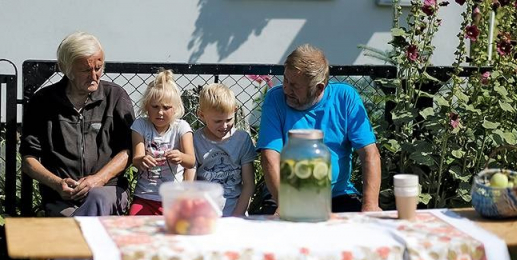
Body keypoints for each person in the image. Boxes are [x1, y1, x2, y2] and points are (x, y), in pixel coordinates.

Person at [21, 31, 135, 260]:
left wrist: (99, 179)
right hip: (62, 199)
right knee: (97, 240)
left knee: (97, 198)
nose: (95, 76)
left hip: (110, 193)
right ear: (65, 68)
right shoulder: (43, 102)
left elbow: (128, 151)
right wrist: (57, 183)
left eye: (99, 67)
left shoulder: (116, 97)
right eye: (86, 70)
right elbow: (28, 159)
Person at [256, 44, 381, 214]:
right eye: (285, 79)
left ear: (319, 87)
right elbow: (269, 157)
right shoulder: (275, 99)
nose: (286, 88)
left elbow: (369, 154)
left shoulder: (345, 98)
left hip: (337, 196)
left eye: (294, 85)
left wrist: (370, 206)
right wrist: (285, 204)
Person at [129, 70, 196, 216]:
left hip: (174, 198)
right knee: (134, 225)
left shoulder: (181, 127)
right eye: (155, 107)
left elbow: (191, 161)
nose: (160, 112)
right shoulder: (140, 125)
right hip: (145, 196)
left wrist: (180, 157)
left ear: (175, 109)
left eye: (166, 108)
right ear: (147, 106)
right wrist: (142, 160)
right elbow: (136, 159)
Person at [190, 83, 256, 217]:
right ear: (201, 115)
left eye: (229, 119)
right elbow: (191, 183)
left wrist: (237, 215)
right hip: (204, 211)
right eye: (217, 121)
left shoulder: (242, 140)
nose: (224, 126)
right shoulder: (195, 140)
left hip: (235, 210)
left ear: (235, 110)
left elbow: (248, 184)